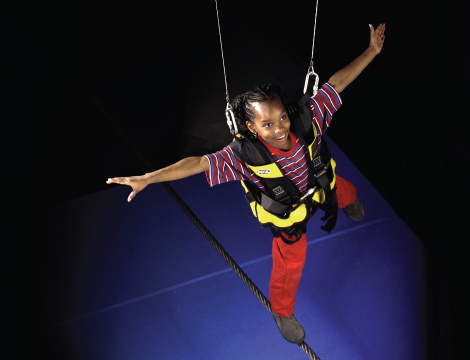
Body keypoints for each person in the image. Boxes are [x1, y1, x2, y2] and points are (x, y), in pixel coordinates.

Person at [107, 22, 385, 344]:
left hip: (322, 185)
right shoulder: (242, 156)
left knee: (341, 190)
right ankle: (282, 310)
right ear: (252, 128)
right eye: (267, 124)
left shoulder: (309, 118)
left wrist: (372, 51)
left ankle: (348, 203)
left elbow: (337, 83)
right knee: (289, 266)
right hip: (288, 215)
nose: (279, 129)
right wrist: (149, 178)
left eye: (281, 117)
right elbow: (197, 163)